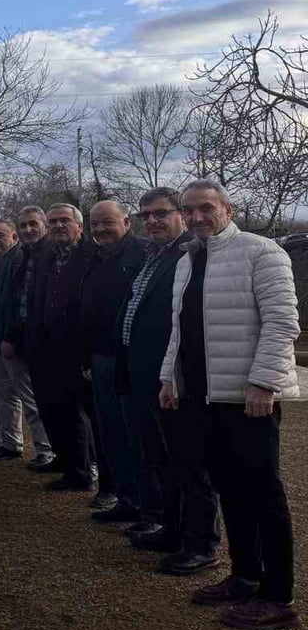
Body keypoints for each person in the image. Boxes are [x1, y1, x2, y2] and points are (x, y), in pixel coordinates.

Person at [159, 180, 300, 630]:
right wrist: (169, 377)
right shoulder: (188, 260)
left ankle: (278, 597)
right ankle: (244, 576)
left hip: (248, 400)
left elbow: (283, 323)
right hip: (204, 398)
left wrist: (262, 383)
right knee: (232, 492)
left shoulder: (262, 252)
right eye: (190, 210)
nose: (198, 217)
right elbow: (178, 330)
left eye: (206, 209)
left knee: (264, 496)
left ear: (227, 208)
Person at [114, 188, 219, 568]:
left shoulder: (192, 255)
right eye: (147, 216)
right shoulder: (154, 255)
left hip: (175, 377)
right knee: (161, 458)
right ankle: (173, 529)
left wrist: (172, 375)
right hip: (146, 374)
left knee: (190, 463)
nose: (153, 221)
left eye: (162, 214)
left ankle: (201, 544)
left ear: (180, 216)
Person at [10, 204, 98, 494]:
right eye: (54, 221)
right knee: (51, 409)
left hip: (73, 348)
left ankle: (81, 471)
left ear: (79, 226)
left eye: (65, 221)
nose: (59, 226)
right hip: (42, 346)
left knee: (74, 414)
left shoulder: (91, 255)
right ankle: (66, 461)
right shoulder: (45, 257)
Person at [80, 201, 150, 526]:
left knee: (138, 438)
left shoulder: (143, 254)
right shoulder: (96, 258)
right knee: (112, 435)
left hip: (132, 360)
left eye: (107, 223)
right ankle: (127, 499)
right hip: (101, 359)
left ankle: (151, 510)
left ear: (126, 221)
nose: (100, 230)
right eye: (95, 225)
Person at [0, 217, 51, 464]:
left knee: (29, 398)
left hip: (14, 342)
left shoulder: (20, 261)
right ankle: (11, 443)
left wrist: (10, 337)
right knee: (3, 396)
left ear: (13, 237)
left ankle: (45, 449)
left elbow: (18, 305)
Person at [2, 206, 58, 472]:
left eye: (33, 224)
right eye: (23, 226)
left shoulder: (51, 254)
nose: (28, 230)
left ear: (44, 225)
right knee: (35, 400)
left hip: (45, 343)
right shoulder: (27, 256)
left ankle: (50, 451)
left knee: (41, 402)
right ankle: (48, 451)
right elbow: (18, 302)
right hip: (25, 340)